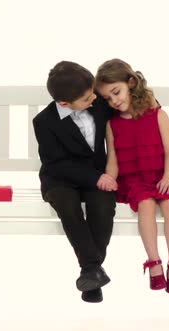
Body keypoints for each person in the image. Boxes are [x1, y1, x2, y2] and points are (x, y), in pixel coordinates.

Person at [94, 58, 169, 294]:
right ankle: (153, 263)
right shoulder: (112, 124)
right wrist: (109, 179)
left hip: (162, 175)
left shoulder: (157, 115)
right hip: (136, 180)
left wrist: (167, 178)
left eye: (116, 92)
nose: (114, 101)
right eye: (107, 98)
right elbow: (113, 159)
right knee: (145, 206)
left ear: (131, 83)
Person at [32, 61, 118, 303]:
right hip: (60, 178)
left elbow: (130, 111)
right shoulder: (44, 122)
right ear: (64, 103)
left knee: (102, 207)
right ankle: (92, 268)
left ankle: (90, 272)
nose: (94, 99)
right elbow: (55, 163)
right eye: (87, 98)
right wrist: (96, 177)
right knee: (67, 205)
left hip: (96, 175)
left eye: (93, 94)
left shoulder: (98, 104)